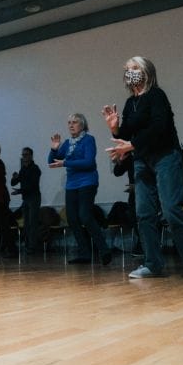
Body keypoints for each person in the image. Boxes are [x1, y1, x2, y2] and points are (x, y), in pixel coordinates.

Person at [103, 56, 183, 281]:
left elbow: (159, 128)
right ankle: (152, 264)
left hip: (166, 156)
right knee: (143, 213)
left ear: (145, 71)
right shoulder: (129, 103)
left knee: (172, 210)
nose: (129, 72)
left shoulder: (156, 96)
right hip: (142, 160)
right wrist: (115, 128)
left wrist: (131, 145)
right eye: (127, 70)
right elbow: (126, 134)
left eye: (133, 68)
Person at [48, 113, 111, 266]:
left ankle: (104, 250)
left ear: (82, 125)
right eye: (69, 122)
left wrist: (66, 163)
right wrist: (54, 150)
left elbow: (88, 162)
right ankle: (84, 253)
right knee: (72, 218)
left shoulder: (89, 140)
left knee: (85, 216)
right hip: (71, 184)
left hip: (87, 182)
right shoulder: (68, 143)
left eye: (74, 122)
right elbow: (51, 162)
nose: (71, 125)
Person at [11, 147, 42, 254]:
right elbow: (13, 183)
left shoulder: (35, 169)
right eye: (23, 155)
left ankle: (33, 247)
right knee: (27, 223)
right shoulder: (23, 169)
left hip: (34, 198)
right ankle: (29, 245)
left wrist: (19, 191)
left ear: (31, 156)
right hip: (26, 198)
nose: (24, 157)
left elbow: (32, 186)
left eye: (26, 155)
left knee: (32, 223)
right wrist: (14, 177)